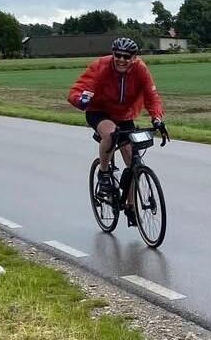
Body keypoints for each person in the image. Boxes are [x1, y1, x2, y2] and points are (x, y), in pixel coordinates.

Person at [68, 37, 167, 213]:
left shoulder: (140, 69)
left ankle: (131, 205)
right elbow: (77, 89)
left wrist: (157, 118)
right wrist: (81, 100)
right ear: (113, 54)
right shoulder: (101, 66)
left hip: (124, 115)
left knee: (132, 162)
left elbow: (152, 97)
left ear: (134, 57)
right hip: (98, 111)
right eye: (118, 55)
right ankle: (104, 173)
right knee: (111, 133)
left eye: (127, 56)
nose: (121, 59)